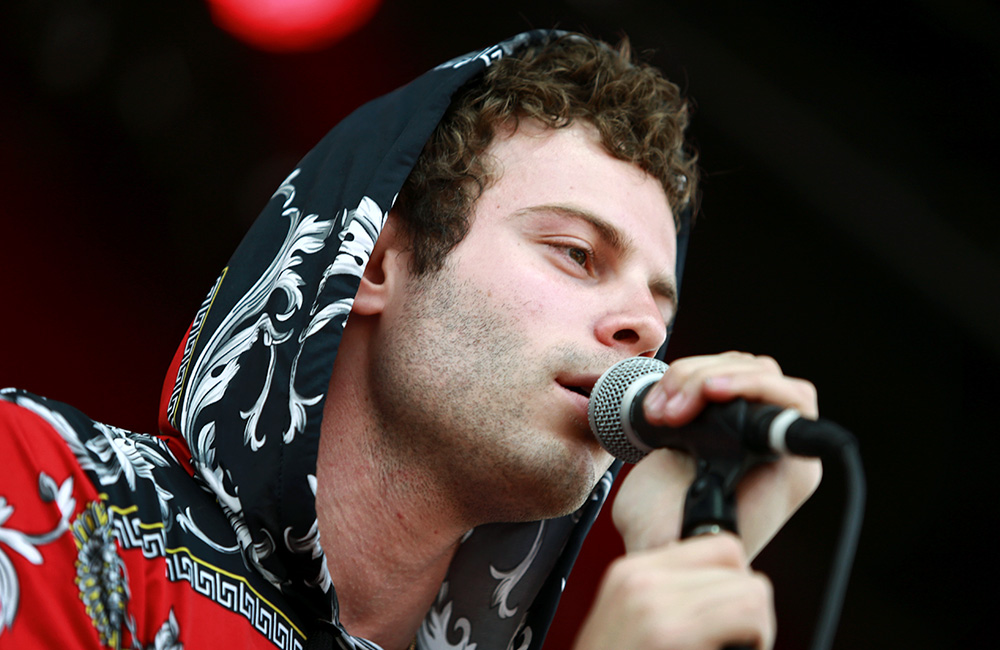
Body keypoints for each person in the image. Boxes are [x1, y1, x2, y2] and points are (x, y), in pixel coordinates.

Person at [0, 30, 820, 650]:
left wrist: (693, 544)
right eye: (576, 253)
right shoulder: (50, 488)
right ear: (373, 263)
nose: (645, 329)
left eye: (659, 308)